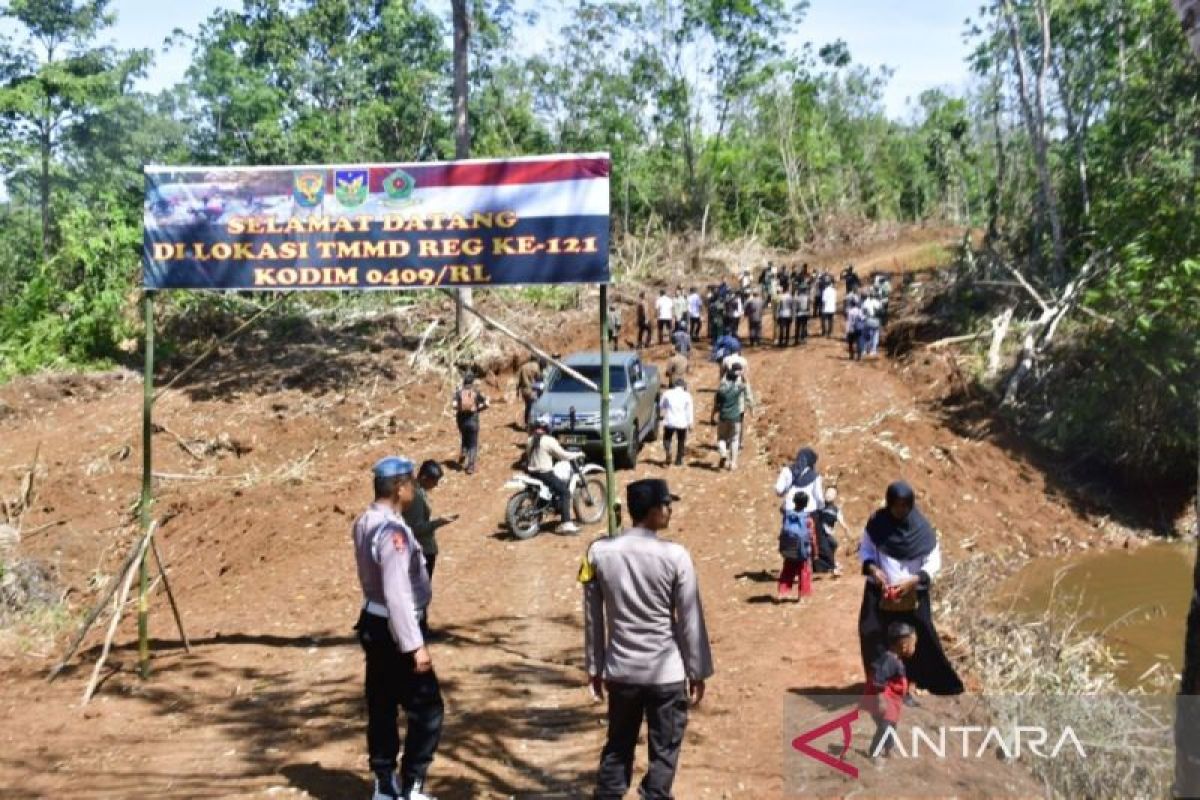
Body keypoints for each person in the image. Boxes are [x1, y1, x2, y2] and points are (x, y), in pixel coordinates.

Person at [581, 478, 714, 800]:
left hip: (622, 671)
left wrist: (594, 666)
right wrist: (697, 670)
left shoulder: (598, 552)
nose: (670, 511)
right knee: (665, 750)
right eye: (667, 505)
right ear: (653, 511)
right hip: (666, 674)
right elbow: (689, 618)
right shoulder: (676, 556)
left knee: (618, 746)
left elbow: (592, 617)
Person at [352, 457, 443, 800]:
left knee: (382, 703)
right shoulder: (392, 532)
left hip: (373, 622)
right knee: (427, 708)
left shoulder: (366, 520)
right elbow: (398, 593)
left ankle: (384, 782)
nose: (413, 491)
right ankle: (412, 784)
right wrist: (413, 644)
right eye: (411, 486)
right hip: (394, 627)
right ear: (401, 488)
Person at [858, 481, 964, 695]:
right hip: (881, 590)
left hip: (913, 592)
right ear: (888, 503)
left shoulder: (922, 530)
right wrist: (873, 570)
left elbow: (933, 561)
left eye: (904, 506)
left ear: (911, 505)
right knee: (871, 631)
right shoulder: (877, 524)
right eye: (896, 505)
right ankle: (880, 681)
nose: (900, 510)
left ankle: (929, 681)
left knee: (922, 635)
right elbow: (866, 549)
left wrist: (914, 580)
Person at [402, 460, 458, 638]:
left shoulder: (417, 490)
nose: (436, 484)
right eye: (434, 480)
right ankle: (419, 629)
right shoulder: (417, 496)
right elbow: (416, 528)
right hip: (422, 549)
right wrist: (440, 522)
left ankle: (419, 627)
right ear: (424, 477)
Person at [861, 621, 917, 763]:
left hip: (891, 701)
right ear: (904, 646)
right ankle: (874, 752)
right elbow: (879, 679)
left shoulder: (895, 659)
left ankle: (889, 748)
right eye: (913, 645)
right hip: (883, 701)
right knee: (885, 726)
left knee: (891, 725)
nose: (914, 648)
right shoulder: (889, 660)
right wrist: (881, 701)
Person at [526, 416, 587, 534]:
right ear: (547, 427)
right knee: (565, 492)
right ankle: (566, 523)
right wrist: (577, 454)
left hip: (532, 474)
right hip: (545, 474)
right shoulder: (548, 440)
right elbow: (562, 455)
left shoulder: (530, 440)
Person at [777, 490, 816, 602]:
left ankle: (782, 592)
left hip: (789, 549)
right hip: (803, 551)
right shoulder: (808, 519)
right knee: (804, 572)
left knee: (787, 570)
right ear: (806, 504)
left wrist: (786, 499)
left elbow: (782, 509)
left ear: (794, 501)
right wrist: (815, 552)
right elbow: (812, 537)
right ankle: (803, 595)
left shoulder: (788, 515)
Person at [711, 369, 751, 471]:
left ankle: (723, 453)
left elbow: (716, 404)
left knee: (721, 438)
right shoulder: (737, 389)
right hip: (735, 418)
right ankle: (733, 463)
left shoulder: (721, 390)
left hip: (723, 417)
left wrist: (713, 415)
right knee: (734, 440)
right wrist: (744, 378)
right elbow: (745, 386)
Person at [453, 373, 488, 475]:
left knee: (464, 436)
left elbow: (454, 405)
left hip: (461, 421)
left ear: (464, 381)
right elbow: (487, 403)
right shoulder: (476, 392)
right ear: (472, 382)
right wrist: (478, 409)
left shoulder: (458, 392)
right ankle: (470, 467)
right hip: (473, 420)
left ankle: (463, 451)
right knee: (473, 444)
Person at [774, 447, 824, 514]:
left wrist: (783, 494)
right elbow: (819, 496)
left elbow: (779, 489)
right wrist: (821, 507)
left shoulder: (787, 470)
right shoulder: (815, 476)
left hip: (790, 508)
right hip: (809, 510)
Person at [658, 378, 694, 467]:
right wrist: (690, 423)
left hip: (670, 421)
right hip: (682, 422)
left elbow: (661, 405)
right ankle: (678, 460)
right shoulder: (687, 395)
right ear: (683, 386)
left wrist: (666, 408)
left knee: (667, 438)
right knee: (681, 441)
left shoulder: (667, 393)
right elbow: (689, 410)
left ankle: (668, 450)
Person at [814, 486, 847, 577]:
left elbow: (841, 520)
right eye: (828, 492)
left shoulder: (836, 509)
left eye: (832, 493)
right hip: (819, 534)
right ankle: (831, 566)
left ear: (835, 497)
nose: (829, 495)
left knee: (834, 544)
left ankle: (829, 564)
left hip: (827, 534)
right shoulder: (819, 506)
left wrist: (845, 528)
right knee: (826, 548)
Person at [516, 356, 544, 431]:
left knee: (527, 407)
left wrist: (517, 392)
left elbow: (518, 381)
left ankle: (526, 424)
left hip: (524, 391)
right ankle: (533, 425)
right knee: (534, 407)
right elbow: (540, 378)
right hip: (533, 390)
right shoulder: (537, 367)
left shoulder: (523, 367)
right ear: (537, 359)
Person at [862, 290, 883, 357]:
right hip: (876, 321)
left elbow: (863, 312)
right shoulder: (878, 303)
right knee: (875, 336)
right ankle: (873, 350)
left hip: (868, 320)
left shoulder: (865, 302)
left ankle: (864, 350)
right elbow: (881, 312)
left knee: (866, 336)